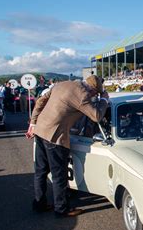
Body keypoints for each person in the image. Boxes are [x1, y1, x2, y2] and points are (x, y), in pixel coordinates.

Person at [25, 75, 109, 217]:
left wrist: (33, 123)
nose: (94, 96)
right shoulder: (83, 95)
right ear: (94, 91)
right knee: (59, 175)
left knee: (41, 171)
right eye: (96, 94)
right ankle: (61, 209)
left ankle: (39, 204)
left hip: (40, 130)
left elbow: (40, 101)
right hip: (55, 136)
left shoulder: (62, 84)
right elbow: (96, 116)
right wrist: (105, 100)